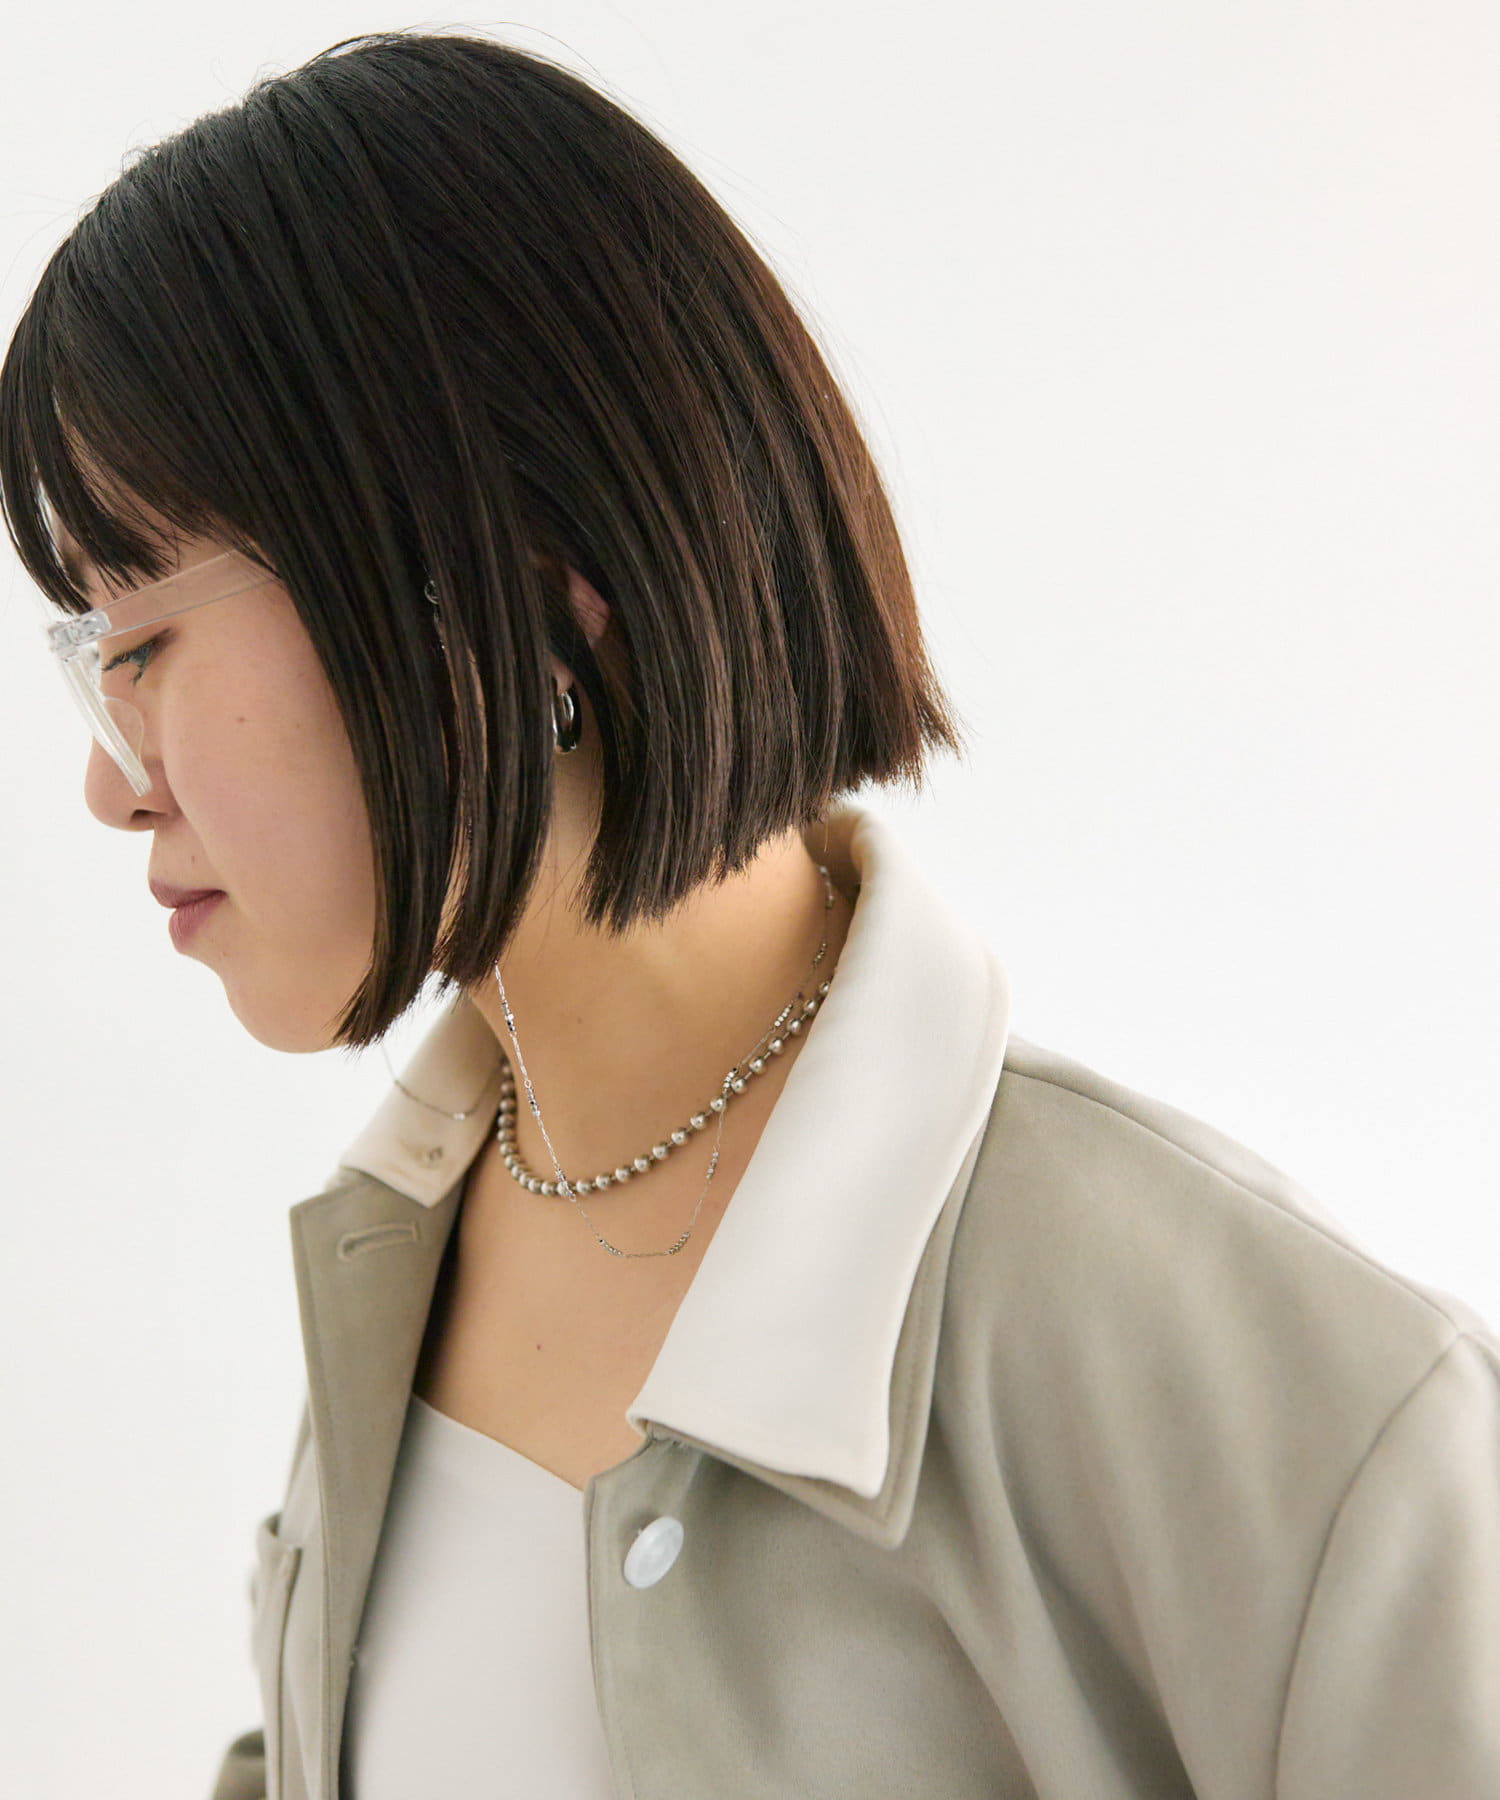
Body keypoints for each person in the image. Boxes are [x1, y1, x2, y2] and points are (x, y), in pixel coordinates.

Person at [5, 27, 1497, 1800]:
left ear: (521, 587)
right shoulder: (400, 1250)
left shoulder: (1293, 1413)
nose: (110, 779)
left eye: (141, 641)